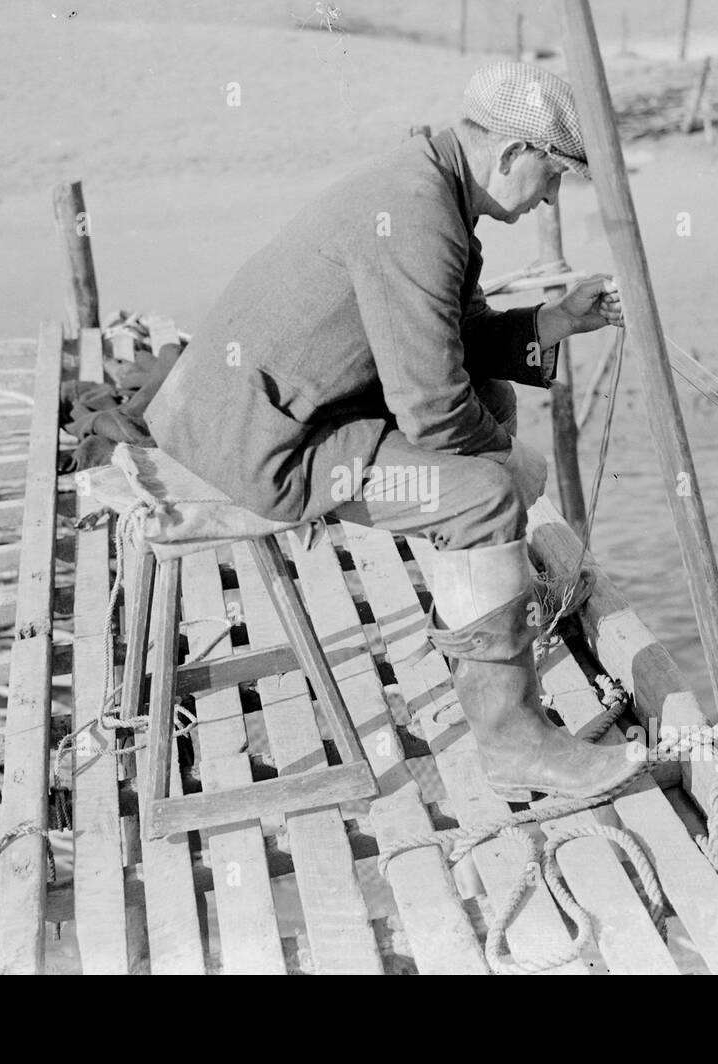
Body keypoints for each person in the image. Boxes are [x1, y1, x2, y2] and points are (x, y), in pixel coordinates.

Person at [140, 61, 641, 800]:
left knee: (493, 405)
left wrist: (556, 319)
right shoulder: (417, 215)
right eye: (554, 174)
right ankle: (513, 741)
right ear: (509, 155)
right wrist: (514, 465)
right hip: (259, 444)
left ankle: (481, 600)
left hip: (263, 408)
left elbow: (456, 343)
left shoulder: (430, 182)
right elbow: (432, 410)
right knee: (485, 496)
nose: (551, 197)